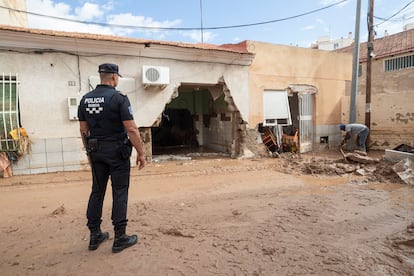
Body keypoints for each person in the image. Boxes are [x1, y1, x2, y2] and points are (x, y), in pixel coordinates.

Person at [78, 63, 145, 253]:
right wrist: (141, 153)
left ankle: (94, 236)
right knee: (120, 191)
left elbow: (84, 130)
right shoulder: (119, 98)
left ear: (101, 76)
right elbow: (131, 129)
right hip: (117, 152)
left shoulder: (85, 100)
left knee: (97, 191)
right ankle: (120, 238)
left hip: (96, 151)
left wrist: (89, 153)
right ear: (114, 77)